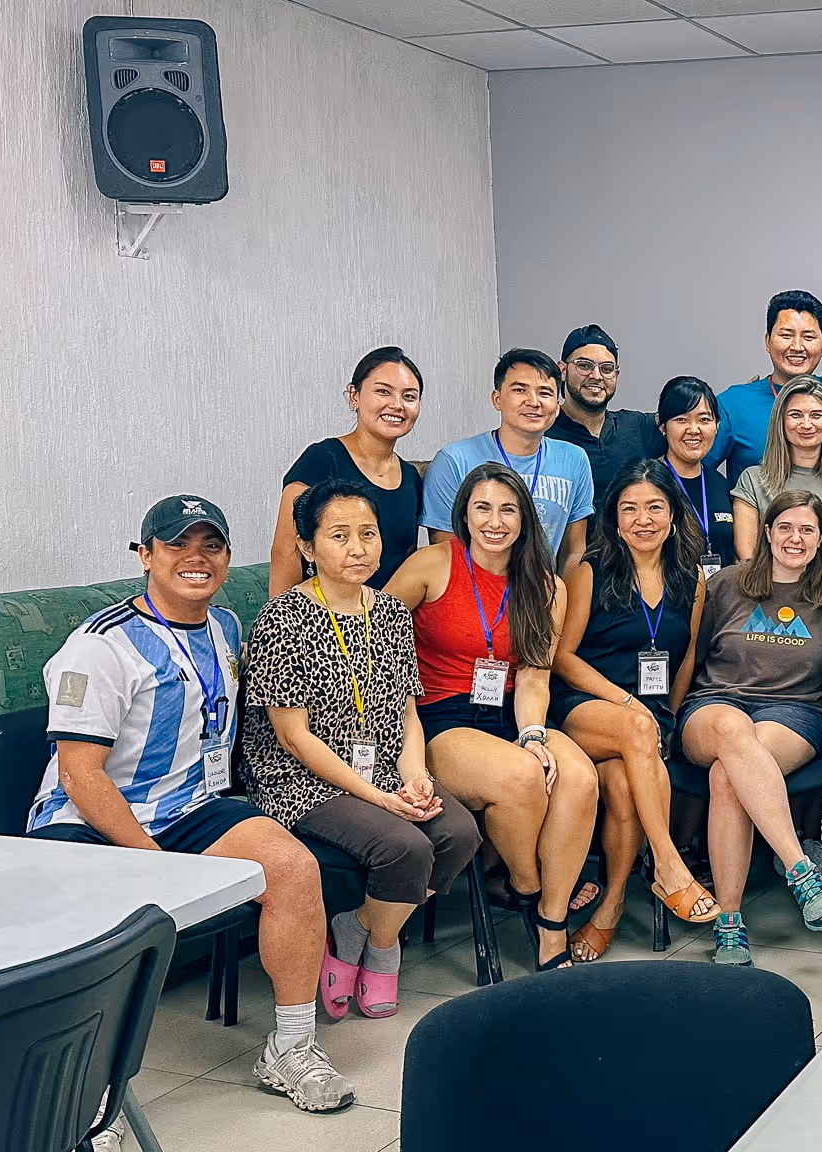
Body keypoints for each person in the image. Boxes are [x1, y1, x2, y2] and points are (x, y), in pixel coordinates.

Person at [28, 495, 356, 1112]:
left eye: (211, 545)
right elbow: (79, 775)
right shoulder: (100, 646)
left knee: (293, 869)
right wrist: (156, 864)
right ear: (145, 555)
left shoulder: (227, 626)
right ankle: (86, 1096)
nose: (196, 558)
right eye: (178, 544)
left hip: (188, 806)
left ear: (228, 559)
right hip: (89, 820)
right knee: (108, 929)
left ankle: (290, 1046)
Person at [241, 480, 482, 1020]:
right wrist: (379, 797)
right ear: (307, 547)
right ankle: (384, 953)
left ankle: (360, 927)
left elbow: (407, 714)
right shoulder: (284, 619)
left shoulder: (392, 613)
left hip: (381, 765)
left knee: (458, 833)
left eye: (367, 534)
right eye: (340, 536)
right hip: (301, 778)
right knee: (407, 847)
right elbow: (293, 737)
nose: (357, 549)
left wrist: (415, 775)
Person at [386, 462, 601, 973]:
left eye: (507, 509)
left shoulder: (547, 587)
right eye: (482, 507)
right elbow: (377, 639)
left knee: (578, 776)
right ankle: (526, 887)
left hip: (511, 711)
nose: (494, 521)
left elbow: (533, 675)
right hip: (440, 716)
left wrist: (532, 735)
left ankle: (551, 922)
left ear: (526, 518)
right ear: (464, 513)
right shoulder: (431, 565)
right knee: (521, 775)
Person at [549, 461, 721, 961]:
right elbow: (562, 655)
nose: (642, 519)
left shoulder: (691, 578)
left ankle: (611, 907)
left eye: (654, 507)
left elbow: (686, 654)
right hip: (588, 706)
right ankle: (668, 865)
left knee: (625, 786)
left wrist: (664, 714)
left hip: (648, 721)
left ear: (672, 516)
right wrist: (627, 703)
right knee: (635, 727)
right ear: (614, 518)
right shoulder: (590, 568)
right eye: (629, 509)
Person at [680, 489, 822, 966]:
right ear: (767, 533)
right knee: (733, 730)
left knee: (726, 777)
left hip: (795, 712)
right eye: (785, 527)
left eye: (807, 530)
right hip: (713, 706)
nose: (795, 538)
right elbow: (691, 653)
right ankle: (801, 870)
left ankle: (730, 926)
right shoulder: (725, 583)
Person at [422, 349, 595, 574]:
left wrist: (563, 604)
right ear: (497, 399)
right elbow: (445, 552)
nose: (534, 402)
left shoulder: (575, 460)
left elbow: (573, 551)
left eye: (545, 393)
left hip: (541, 597)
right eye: (519, 390)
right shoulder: (454, 461)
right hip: (475, 600)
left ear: (557, 405)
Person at [270, 347, 426, 595]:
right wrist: (283, 623)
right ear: (354, 396)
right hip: (322, 620)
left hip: (384, 621)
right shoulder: (322, 459)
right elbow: (286, 551)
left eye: (409, 396)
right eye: (383, 391)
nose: (397, 405)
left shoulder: (411, 477)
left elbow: (406, 562)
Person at [710, 289, 822, 475]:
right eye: (786, 335)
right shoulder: (734, 403)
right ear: (767, 341)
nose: (797, 347)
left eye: (808, 337)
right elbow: (687, 464)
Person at [732, 375, 822, 578]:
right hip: (775, 599)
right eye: (795, 415)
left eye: (817, 415)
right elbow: (747, 559)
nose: (807, 424)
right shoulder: (753, 481)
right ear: (781, 421)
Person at [545, 324, 662, 498]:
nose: (596, 376)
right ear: (562, 370)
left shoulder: (638, 426)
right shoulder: (543, 434)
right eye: (584, 366)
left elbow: (685, 417)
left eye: (607, 369)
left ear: (616, 375)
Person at [657, 375, 738, 575]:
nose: (694, 430)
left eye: (704, 419)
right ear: (662, 426)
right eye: (681, 419)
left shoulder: (720, 483)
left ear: (717, 425)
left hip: (720, 602)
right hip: (667, 604)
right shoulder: (646, 482)